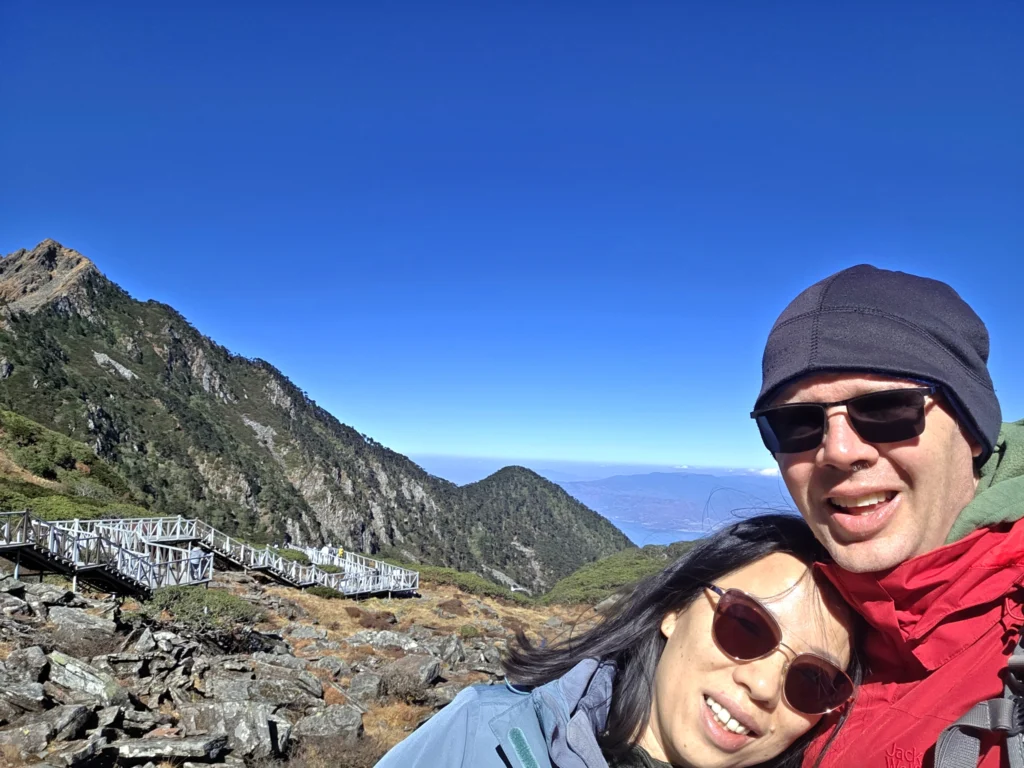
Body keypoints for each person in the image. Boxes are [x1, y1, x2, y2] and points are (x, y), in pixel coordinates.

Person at [750, 265, 1024, 767]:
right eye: (794, 423)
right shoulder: (783, 616)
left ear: (972, 430)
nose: (837, 451)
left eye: (887, 409)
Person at [375, 515, 861, 768]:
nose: (762, 684)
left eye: (814, 682)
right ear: (676, 609)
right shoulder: (480, 738)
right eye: (746, 625)